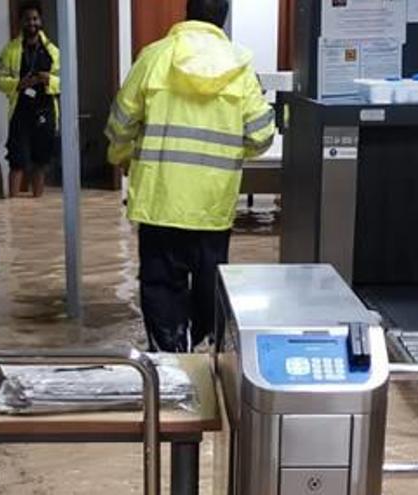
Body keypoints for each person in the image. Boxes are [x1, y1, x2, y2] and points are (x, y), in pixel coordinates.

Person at [105, 0, 275, 352]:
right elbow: (261, 136)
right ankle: (205, 356)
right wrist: (229, 152)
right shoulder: (241, 66)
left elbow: (120, 124)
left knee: (161, 284)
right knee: (210, 284)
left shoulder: (154, 57)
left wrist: (122, 158)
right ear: (224, 17)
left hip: (160, 200)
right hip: (213, 205)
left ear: (187, 13)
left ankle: (170, 361)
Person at [0, 0, 60, 198]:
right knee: (17, 160)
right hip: (20, 112)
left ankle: (37, 203)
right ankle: (12, 207)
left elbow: (66, 80)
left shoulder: (53, 51)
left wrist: (49, 79)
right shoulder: (10, 50)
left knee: (41, 161)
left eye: (35, 19)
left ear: (40, 21)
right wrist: (17, 84)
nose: (31, 23)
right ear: (20, 22)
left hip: (45, 110)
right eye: (27, 20)